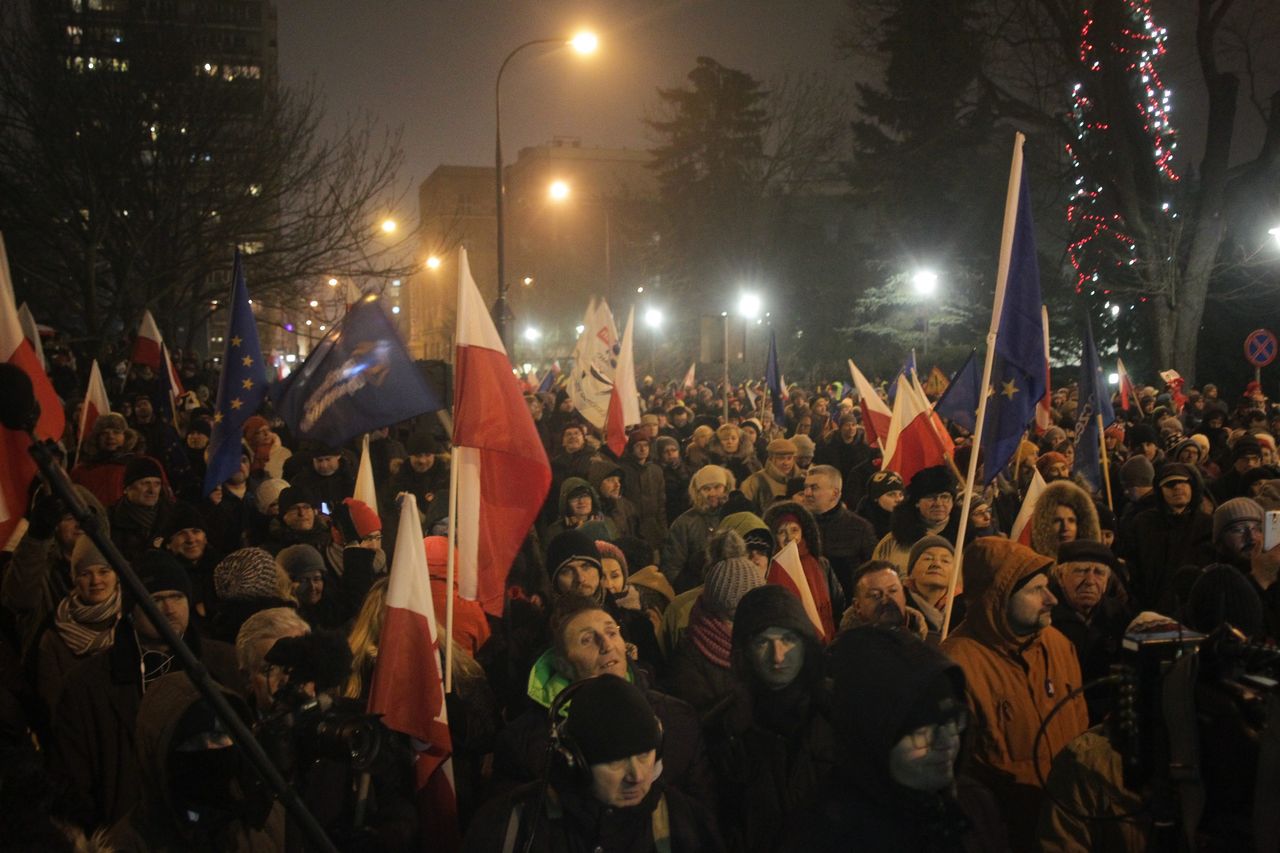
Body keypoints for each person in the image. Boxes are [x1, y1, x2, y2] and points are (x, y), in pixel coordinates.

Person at [51, 550, 241, 830]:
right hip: (132, 829)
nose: (168, 609)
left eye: (177, 597)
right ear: (131, 608)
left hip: (215, 826)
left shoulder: (223, 664)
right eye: (155, 599)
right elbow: (74, 782)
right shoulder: (87, 685)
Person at [782, 626, 1010, 852]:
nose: (946, 742)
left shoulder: (975, 807)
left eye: (952, 722)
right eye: (922, 732)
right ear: (876, 735)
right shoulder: (827, 835)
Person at [491, 594, 713, 809]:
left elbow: (700, 814)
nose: (606, 645)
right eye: (587, 640)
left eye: (611, 632)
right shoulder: (524, 741)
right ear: (561, 664)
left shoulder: (676, 718)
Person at [940, 537, 1088, 849]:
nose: (1051, 599)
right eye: (1036, 590)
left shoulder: (1058, 645)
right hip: (1007, 835)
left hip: (1070, 829)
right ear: (998, 596)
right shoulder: (955, 666)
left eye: (1047, 587)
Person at [466, 675, 723, 852]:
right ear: (574, 760)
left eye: (645, 755)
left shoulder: (684, 821)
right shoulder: (510, 825)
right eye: (615, 761)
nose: (637, 775)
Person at [711, 585, 833, 853]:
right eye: (763, 642)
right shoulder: (725, 728)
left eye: (788, 639)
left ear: (806, 643)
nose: (777, 656)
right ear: (745, 650)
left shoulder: (837, 713)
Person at [106, 672, 285, 851]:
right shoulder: (127, 845)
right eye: (194, 741)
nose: (209, 749)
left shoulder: (264, 821)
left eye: (218, 737)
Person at [664, 529, 765, 716]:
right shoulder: (690, 655)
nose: (743, 625)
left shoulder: (770, 642)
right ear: (714, 610)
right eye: (732, 617)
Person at [34, 535, 122, 718]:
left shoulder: (135, 620)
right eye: (85, 573)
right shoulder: (53, 636)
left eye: (104, 571)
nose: (95, 580)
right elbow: (54, 703)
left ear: (117, 575)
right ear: (74, 578)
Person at [1048, 540, 1130, 723]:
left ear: (1108, 580)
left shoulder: (1119, 617)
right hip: (1060, 716)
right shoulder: (1045, 618)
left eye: (1099, 573)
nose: (1090, 581)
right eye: (1081, 571)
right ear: (1060, 576)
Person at [1120, 462, 1214, 611]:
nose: (1177, 488)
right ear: (1160, 491)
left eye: (1182, 482)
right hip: (1152, 607)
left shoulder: (1207, 525)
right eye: (1170, 485)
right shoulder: (1143, 523)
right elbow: (1135, 567)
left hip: (1195, 609)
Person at [763, 500, 841, 641]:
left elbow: (836, 600)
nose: (789, 537)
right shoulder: (770, 567)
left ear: (803, 532)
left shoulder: (821, 564)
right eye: (782, 532)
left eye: (794, 530)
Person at [801, 464, 877, 597]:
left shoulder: (860, 528)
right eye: (806, 487)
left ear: (834, 493)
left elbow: (872, 572)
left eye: (814, 488)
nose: (807, 493)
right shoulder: (798, 525)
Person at [871, 465, 960, 574]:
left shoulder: (965, 537)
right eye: (931, 497)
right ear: (917, 502)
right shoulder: (893, 542)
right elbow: (878, 579)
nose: (939, 503)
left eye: (945, 497)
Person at [661, 464, 734, 593]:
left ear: (726, 488)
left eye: (717, 487)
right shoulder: (684, 523)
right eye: (706, 489)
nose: (712, 493)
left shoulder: (734, 517)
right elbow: (672, 567)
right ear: (698, 492)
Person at [903, 535, 964, 642]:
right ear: (911, 572)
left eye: (945, 561)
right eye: (928, 558)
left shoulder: (964, 608)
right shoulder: (900, 605)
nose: (936, 564)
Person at [814, 413, 878, 510]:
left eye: (853, 425)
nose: (851, 428)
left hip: (857, 488)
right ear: (841, 427)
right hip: (835, 485)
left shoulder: (864, 447)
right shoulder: (830, 445)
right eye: (847, 425)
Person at [620, 430, 668, 552]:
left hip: (652, 527)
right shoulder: (623, 470)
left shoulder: (656, 470)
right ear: (631, 448)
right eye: (638, 446)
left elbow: (661, 503)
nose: (643, 449)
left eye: (646, 445)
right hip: (631, 526)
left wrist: (663, 529)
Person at [1028, 480, 1101, 561]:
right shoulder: (1036, 567)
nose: (1065, 527)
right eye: (1057, 521)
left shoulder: (1094, 567)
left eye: (1071, 520)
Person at [740, 438, 798, 515]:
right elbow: (744, 511)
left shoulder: (801, 479)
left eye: (789, 458)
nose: (786, 463)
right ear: (771, 459)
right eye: (781, 458)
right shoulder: (754, 481)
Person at [854, 469, 904, 540]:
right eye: (891, 495)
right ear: (876, 497)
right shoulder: (857, 527)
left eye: (901, 494)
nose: (898, 499)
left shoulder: (908, 521)